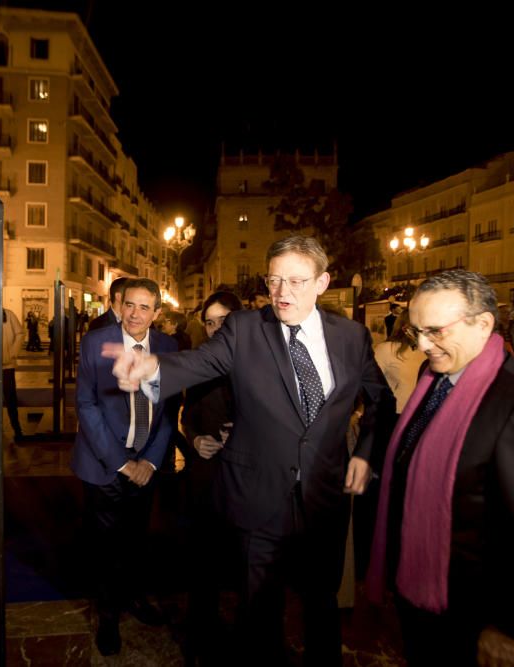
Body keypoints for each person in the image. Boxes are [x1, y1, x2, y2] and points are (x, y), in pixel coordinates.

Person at [107, 236, 392, 664]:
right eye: (274, 280)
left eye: (296, 281)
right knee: (259, 608)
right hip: (258, 495)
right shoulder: (244, 329)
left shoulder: (351, 337)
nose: (283, 292)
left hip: (325, 496)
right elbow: (200, 362)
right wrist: (153, 369)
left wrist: (366, 452)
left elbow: (381, 400)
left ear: (323, 282)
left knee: (321, 600)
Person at [367, 269, 514, 667]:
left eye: (436, 331)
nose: (424, 344)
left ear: (483, 324)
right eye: (417, 332)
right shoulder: (434, 376)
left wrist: (513, 628)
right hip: (423, 593)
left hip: (476, 612)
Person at [70, 278, 180, 657]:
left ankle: (134, 598)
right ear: (120, 304)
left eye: (144, 307)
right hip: (105, 464)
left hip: (146, 464)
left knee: (137, 539)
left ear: (157, 313)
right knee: (105, 546)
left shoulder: (168, 347)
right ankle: (108, 616)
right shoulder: (95, 342)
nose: (135, 314)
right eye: (129, 305)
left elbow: (169, 409)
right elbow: (86, 405)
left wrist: (149, 460)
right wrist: (121, 462)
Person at [180, 290, 241, 662]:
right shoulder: (199, 365)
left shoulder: (260, 363)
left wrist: (241, 434)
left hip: (245, 475)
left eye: (224, 320)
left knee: (245, 559)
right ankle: (201, 631)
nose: (217, 327)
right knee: (203, 556)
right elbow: (188, 416)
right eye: (210, 321)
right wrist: (196, 438)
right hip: (206, 473)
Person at [373, 308, 423, 414]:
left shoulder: (427, 351)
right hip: (395, 412)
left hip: (420, 412)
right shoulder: (386, 349)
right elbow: (371, 383)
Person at [2, 308, 24, 441]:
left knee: (10, 399)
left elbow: (20, 333)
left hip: (7, 366)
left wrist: (12, 354)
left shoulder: (8, 314)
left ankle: (17, 429)